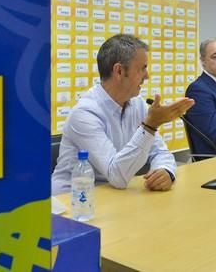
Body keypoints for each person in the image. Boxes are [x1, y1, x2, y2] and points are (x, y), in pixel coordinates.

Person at [51, 34, 195, 195]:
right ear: (119, 71)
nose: (147, 76)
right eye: (142, 68)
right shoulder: (85, 113)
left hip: (114, 196)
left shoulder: (137, 103)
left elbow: (160, 152)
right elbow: (117, 176)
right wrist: (150, 126)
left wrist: (165, 171)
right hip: (74, 202)